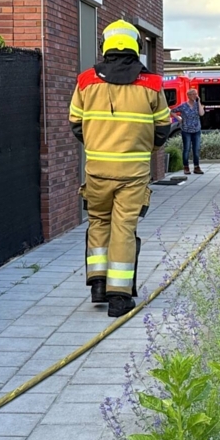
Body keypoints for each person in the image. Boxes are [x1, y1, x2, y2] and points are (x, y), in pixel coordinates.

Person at [70, 19, 171, 317]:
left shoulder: (86, 81)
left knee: (99, 222)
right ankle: (119, 298)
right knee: (124, 228)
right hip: (133, 173)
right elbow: (162, 129)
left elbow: (76, 124)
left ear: (106, 46)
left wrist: (97, 147)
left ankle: (98, 285)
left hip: (97, 170)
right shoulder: (151, 84)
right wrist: (143, 151)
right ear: (136, 47)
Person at [173, 88, 205, 175]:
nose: (195, 96)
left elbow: (201, 113)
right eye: (193, 94)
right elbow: (172, 111)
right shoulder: (183, 106)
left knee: (196, 149)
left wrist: (199, 102)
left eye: (196, 94)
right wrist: (179, 119)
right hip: (186, 130)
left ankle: (196, 167)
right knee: (186, 149)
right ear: (188, 95)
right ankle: (186, 167)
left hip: (196, 130)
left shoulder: (197, 105)